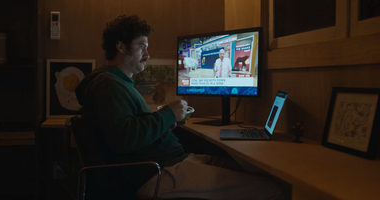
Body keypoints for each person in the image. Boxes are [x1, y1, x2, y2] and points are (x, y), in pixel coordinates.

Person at [75, 15, 283, 200]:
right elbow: (124, 138)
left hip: (171, 162)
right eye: (142, 47)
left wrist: (169, 121)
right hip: (158, 173)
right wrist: (167, 114)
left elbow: (131, 128)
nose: (147, 54)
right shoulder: (108, 84)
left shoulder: (116, 83)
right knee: (271, 189)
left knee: (254, 172)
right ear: (121, 47)